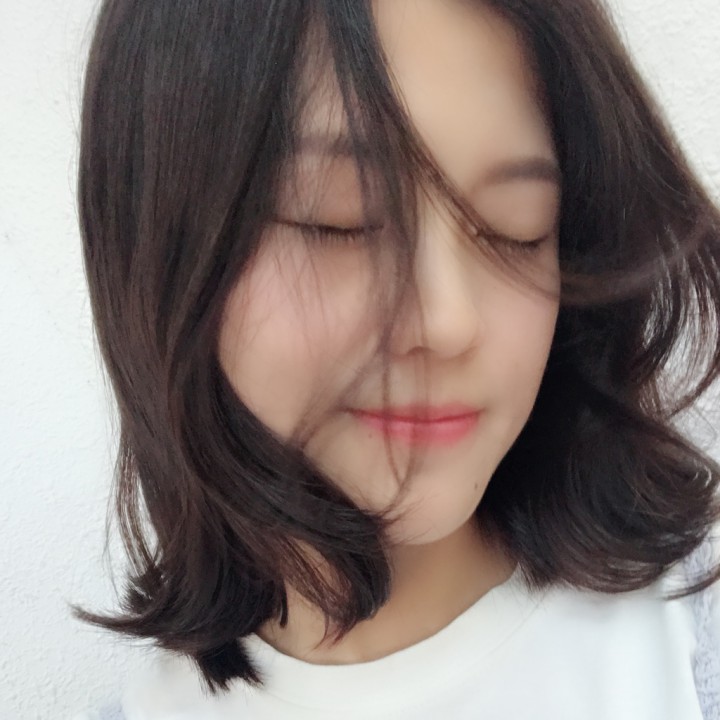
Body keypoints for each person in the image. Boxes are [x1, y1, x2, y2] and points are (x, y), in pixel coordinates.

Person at [71, 0, 720, 718]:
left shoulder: (684, 627)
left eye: (515, 227)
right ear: (158, 252)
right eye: (334, 220)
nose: (447, 322)